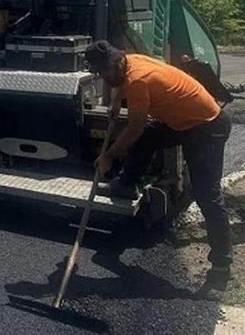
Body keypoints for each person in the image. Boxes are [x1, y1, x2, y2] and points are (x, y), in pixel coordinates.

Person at [85, 40, 233, 293]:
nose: (105, 75)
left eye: (107, 70)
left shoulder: (139, 81)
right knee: (150, 134)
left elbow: (133, 128)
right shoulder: (130, 61)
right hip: (184, 123)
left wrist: (108, 155)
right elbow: (121, 83)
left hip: (207, 127)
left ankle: (221, 266)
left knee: (207, 196)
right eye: (100, 72)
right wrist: (114, 102)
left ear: (117, 61)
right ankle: (126, 183)